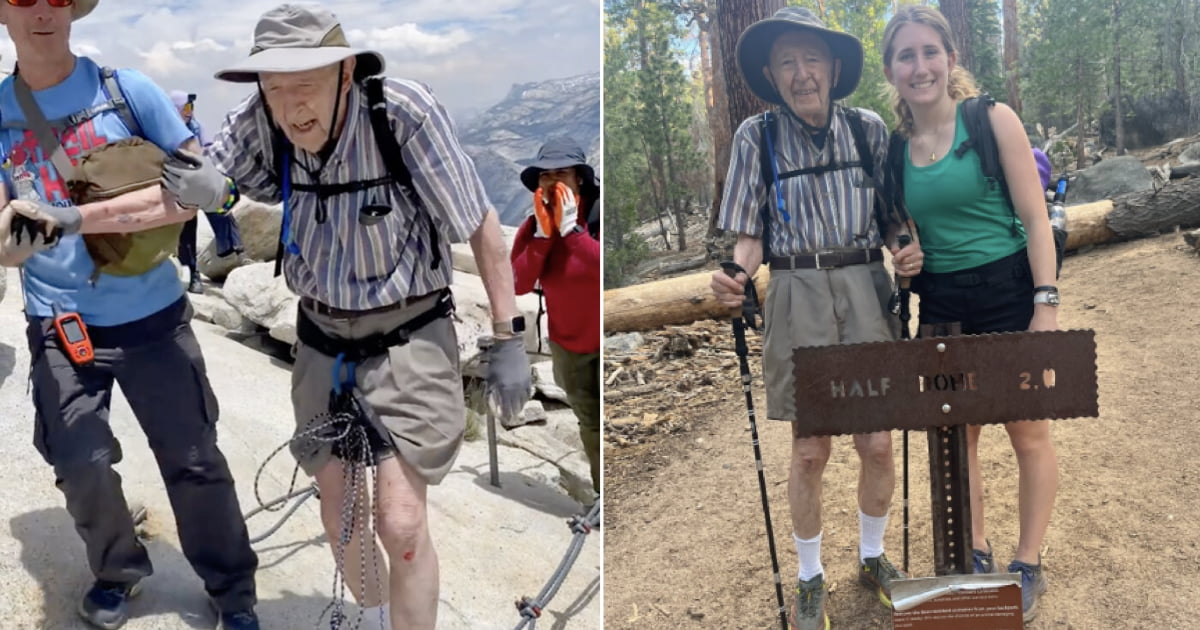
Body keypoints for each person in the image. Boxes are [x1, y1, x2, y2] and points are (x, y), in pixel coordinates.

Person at [207, 4, 532, 629]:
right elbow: (208, 171)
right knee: (342, 516)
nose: (290, 106)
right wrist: (192, 186)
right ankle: (378, 619)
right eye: (274, 89)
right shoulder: (267, 118)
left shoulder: (400, 112)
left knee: (401, 523)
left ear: (345, 69)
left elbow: (481, 223)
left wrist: (506, 336)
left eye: (304, 83)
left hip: (408, 335)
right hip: (321, 339)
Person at [0, 1, 259, 629]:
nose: (42, 11)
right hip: (61, 325)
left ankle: (231, 590)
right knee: (78, 461)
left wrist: (74, 220)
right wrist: (13, 244)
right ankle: (118, 570)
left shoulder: (128, 91)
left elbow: (194, 188)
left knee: (194, 458)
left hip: (153, 315)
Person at [709, 7, 923, 629]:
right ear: (773, 76)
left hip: (864, 284)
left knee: (877, 442)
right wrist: (739, 274)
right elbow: (749, 234)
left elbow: (893, 216)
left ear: (832, 66)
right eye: (786, 63)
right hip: (797, 290)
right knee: (809, 450)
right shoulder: (757, 137)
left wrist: (904, 246)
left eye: (811, 60)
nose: (801, 74)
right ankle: (809, 577)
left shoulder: (869, 129)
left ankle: (873, 559)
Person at [881, 5, 1058, 622]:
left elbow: (1036, 219)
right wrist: (902, 254)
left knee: (1027, 431)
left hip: (1008, 291)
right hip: (943, 303)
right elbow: (900, 229)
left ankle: (1027, 563)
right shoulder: (896, 148)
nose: (920, 65)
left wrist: (1045, 302)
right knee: (959, 436)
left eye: (930, 52)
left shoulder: (990, 119)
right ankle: (974, 557)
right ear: (891, 70)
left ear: (950, 60)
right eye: (907, 55)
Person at [511, 137, 601, 505]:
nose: (552, 182)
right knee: (590, 421)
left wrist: (574, 234)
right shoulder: (535, 224)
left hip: (606, 335)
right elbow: (517, 282)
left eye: (561, 172)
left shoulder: (598, 215)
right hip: (568, 343)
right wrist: (544, 236)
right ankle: (602, 497)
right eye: (545, 175)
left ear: (580, 177)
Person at [169, 90, 243, 294]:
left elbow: (210, 150)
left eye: (190, 107)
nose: (189, 112)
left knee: (222, 207)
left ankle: (233, 252)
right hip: (179, 187)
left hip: (200, 183)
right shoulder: (165, 128)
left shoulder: (196, 127)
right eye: (185, 107)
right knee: (187, 229)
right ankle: (192, 274)